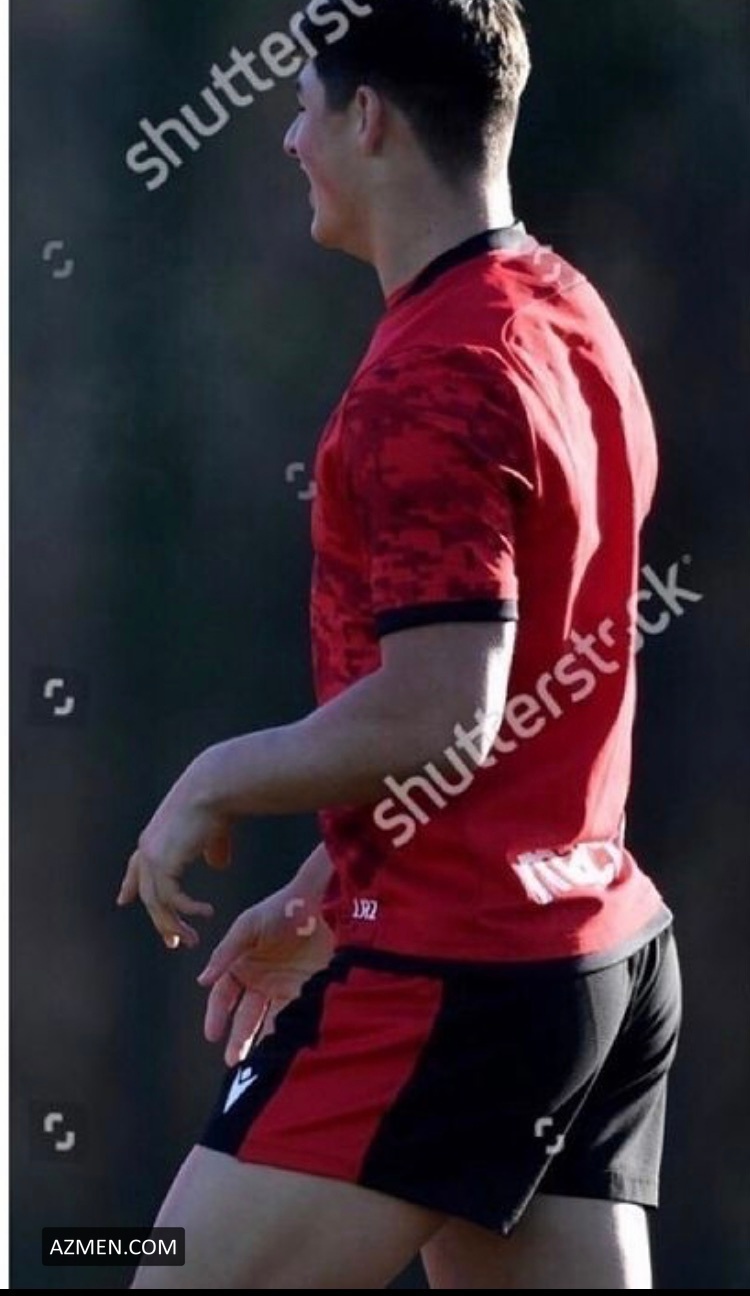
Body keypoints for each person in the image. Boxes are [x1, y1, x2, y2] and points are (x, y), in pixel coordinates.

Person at [117, 1, 682, 1287]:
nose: (290, 140)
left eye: (302, 107)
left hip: (455, 978)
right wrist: (337, 881)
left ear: (366, 117)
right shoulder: (569, 312)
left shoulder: (431, 376)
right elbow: (525, 694)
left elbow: (447, 712)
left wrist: (213, 778)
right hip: (592, 955)